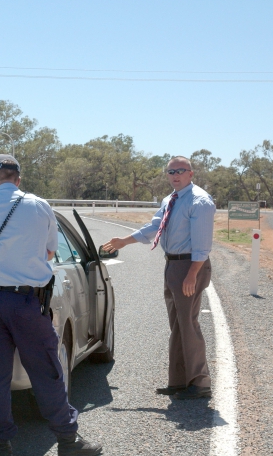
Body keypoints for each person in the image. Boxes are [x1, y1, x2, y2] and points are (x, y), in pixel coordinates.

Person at [0, 154, 103, 456]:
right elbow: (51, 252)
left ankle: (1, 445)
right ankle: (68, 441)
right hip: (27, 302)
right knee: (47, 371)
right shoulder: (40, 207)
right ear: (18, 178)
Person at [101, 156, 215, 400]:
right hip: (172, 265)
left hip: (189, 266)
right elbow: (154, 227)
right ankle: (179, 381)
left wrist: (192, 275)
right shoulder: (170, 200)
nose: (175, 175)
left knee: (188, 323)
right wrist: (125, 241)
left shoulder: (200, 201)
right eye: (171, 171)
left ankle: (200, 382)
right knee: (177, 324)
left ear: (191, 174)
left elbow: (203, 247)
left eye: (180, 171)